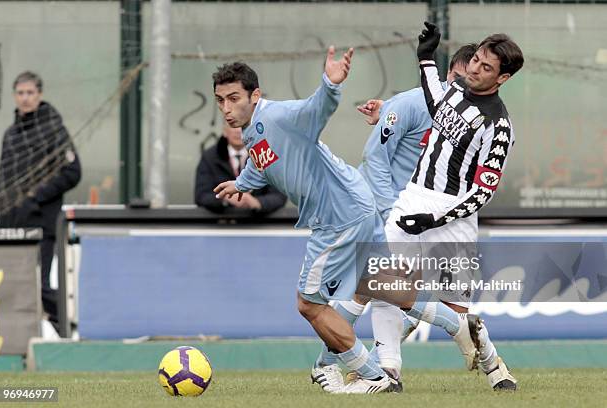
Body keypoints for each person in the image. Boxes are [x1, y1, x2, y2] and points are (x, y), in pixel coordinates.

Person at [213, 46, 482, 394]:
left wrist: (330, 83)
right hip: (357, 201)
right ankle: (457, 324)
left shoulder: (278, 116)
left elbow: (314, 108)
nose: (226, 108)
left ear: (256, 95)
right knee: (380, 283)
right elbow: (263, 159)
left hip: (338, 216)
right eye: (220, 100)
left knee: (309, 303)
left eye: (234, 98)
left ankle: (375, 377)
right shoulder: (253, 130)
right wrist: (242, 183)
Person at [314, 44, 479, 390]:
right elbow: (375, 157)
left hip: (420, 219)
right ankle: (382, 362)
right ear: (446, 75)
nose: (461, 88)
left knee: (376, 289)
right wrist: (391, 212)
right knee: (373, 287)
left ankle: (357, 366)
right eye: (458, 79)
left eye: (472, 82)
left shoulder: (472, 120)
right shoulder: (411, 104)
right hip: (378, 211)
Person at [386, 24, 523, 389]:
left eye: (486, 67)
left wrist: (436, 218)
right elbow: (437, 103)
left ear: (503, 77)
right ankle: (386, 371)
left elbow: (482, 193)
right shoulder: (458, 87)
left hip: (453, 216)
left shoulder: (499, 125)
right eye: (475, 60)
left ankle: (493, 364)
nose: (475, 69)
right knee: (381, 279)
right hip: (414, 195)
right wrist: (426, 59)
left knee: (456, 312)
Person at [0, 71, 81, 328]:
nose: (25, 98)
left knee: (38, 285)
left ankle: (68, 326)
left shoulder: (53, 130)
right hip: (11, 225)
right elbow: (5, 177)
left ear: (40, 95)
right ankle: (18, 343)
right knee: (11, 286)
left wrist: (35, 198)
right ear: (14, 96)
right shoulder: (11, 134)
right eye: (20, 93)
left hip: (41, 224)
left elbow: (72, 172)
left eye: (30, 92)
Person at [194, 121, 286, 215]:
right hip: (222, 225)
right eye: (233, 126)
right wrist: (225, 199)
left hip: (258, 224)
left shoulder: (265, 155)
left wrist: (257, 203)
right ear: (225, 131)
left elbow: (279, 196)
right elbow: (201, 196)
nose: (238, 131)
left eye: (243, 127)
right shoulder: (210, 157)